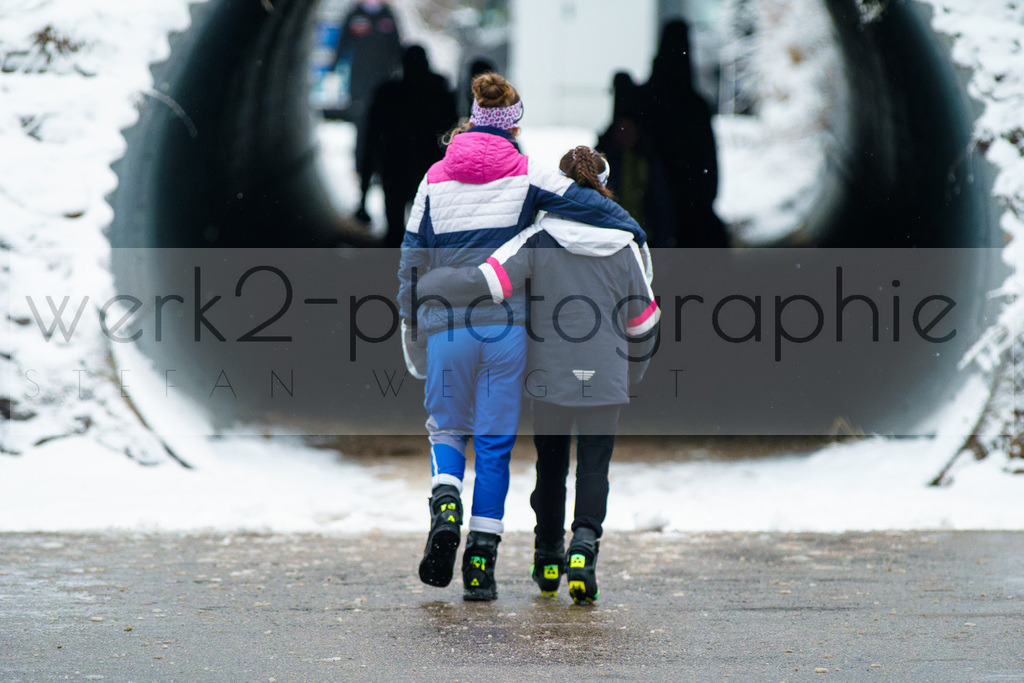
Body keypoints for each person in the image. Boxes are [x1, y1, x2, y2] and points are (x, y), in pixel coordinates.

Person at [397, 75, 646, 602]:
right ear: (514, 124)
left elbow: (411, 258)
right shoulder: (528, 175)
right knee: (494, 445)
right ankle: (482, 566)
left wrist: (413, 319)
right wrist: (634, 234)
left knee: (447, 429)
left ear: (470, 119)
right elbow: (589, 207)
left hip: (446, 326)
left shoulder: (431, 181)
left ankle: (445, 500)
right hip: (504, 329)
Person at [637, 19, 729, 248]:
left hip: (653, 203)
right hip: (690, 203)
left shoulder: (648, 100)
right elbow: (708, 162)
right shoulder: (695, 106)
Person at [359, 45, 458, 247]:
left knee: (395, 233)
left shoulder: (389, 94)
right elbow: (453, 139)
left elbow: (371, 140)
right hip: (428, 170)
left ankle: (394, 273)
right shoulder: (439, 93)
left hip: (395, 168)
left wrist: (362, 198)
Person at [332, 0, 402, 211]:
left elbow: (398, 47)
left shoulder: (388, 16)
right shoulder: (355, 15)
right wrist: (333, 70)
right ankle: (362, 170)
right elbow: (342, 44)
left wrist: (399, 77)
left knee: (384, 132)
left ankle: (380, 171)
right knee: (363, 130)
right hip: (359, 86)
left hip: (384, 87)